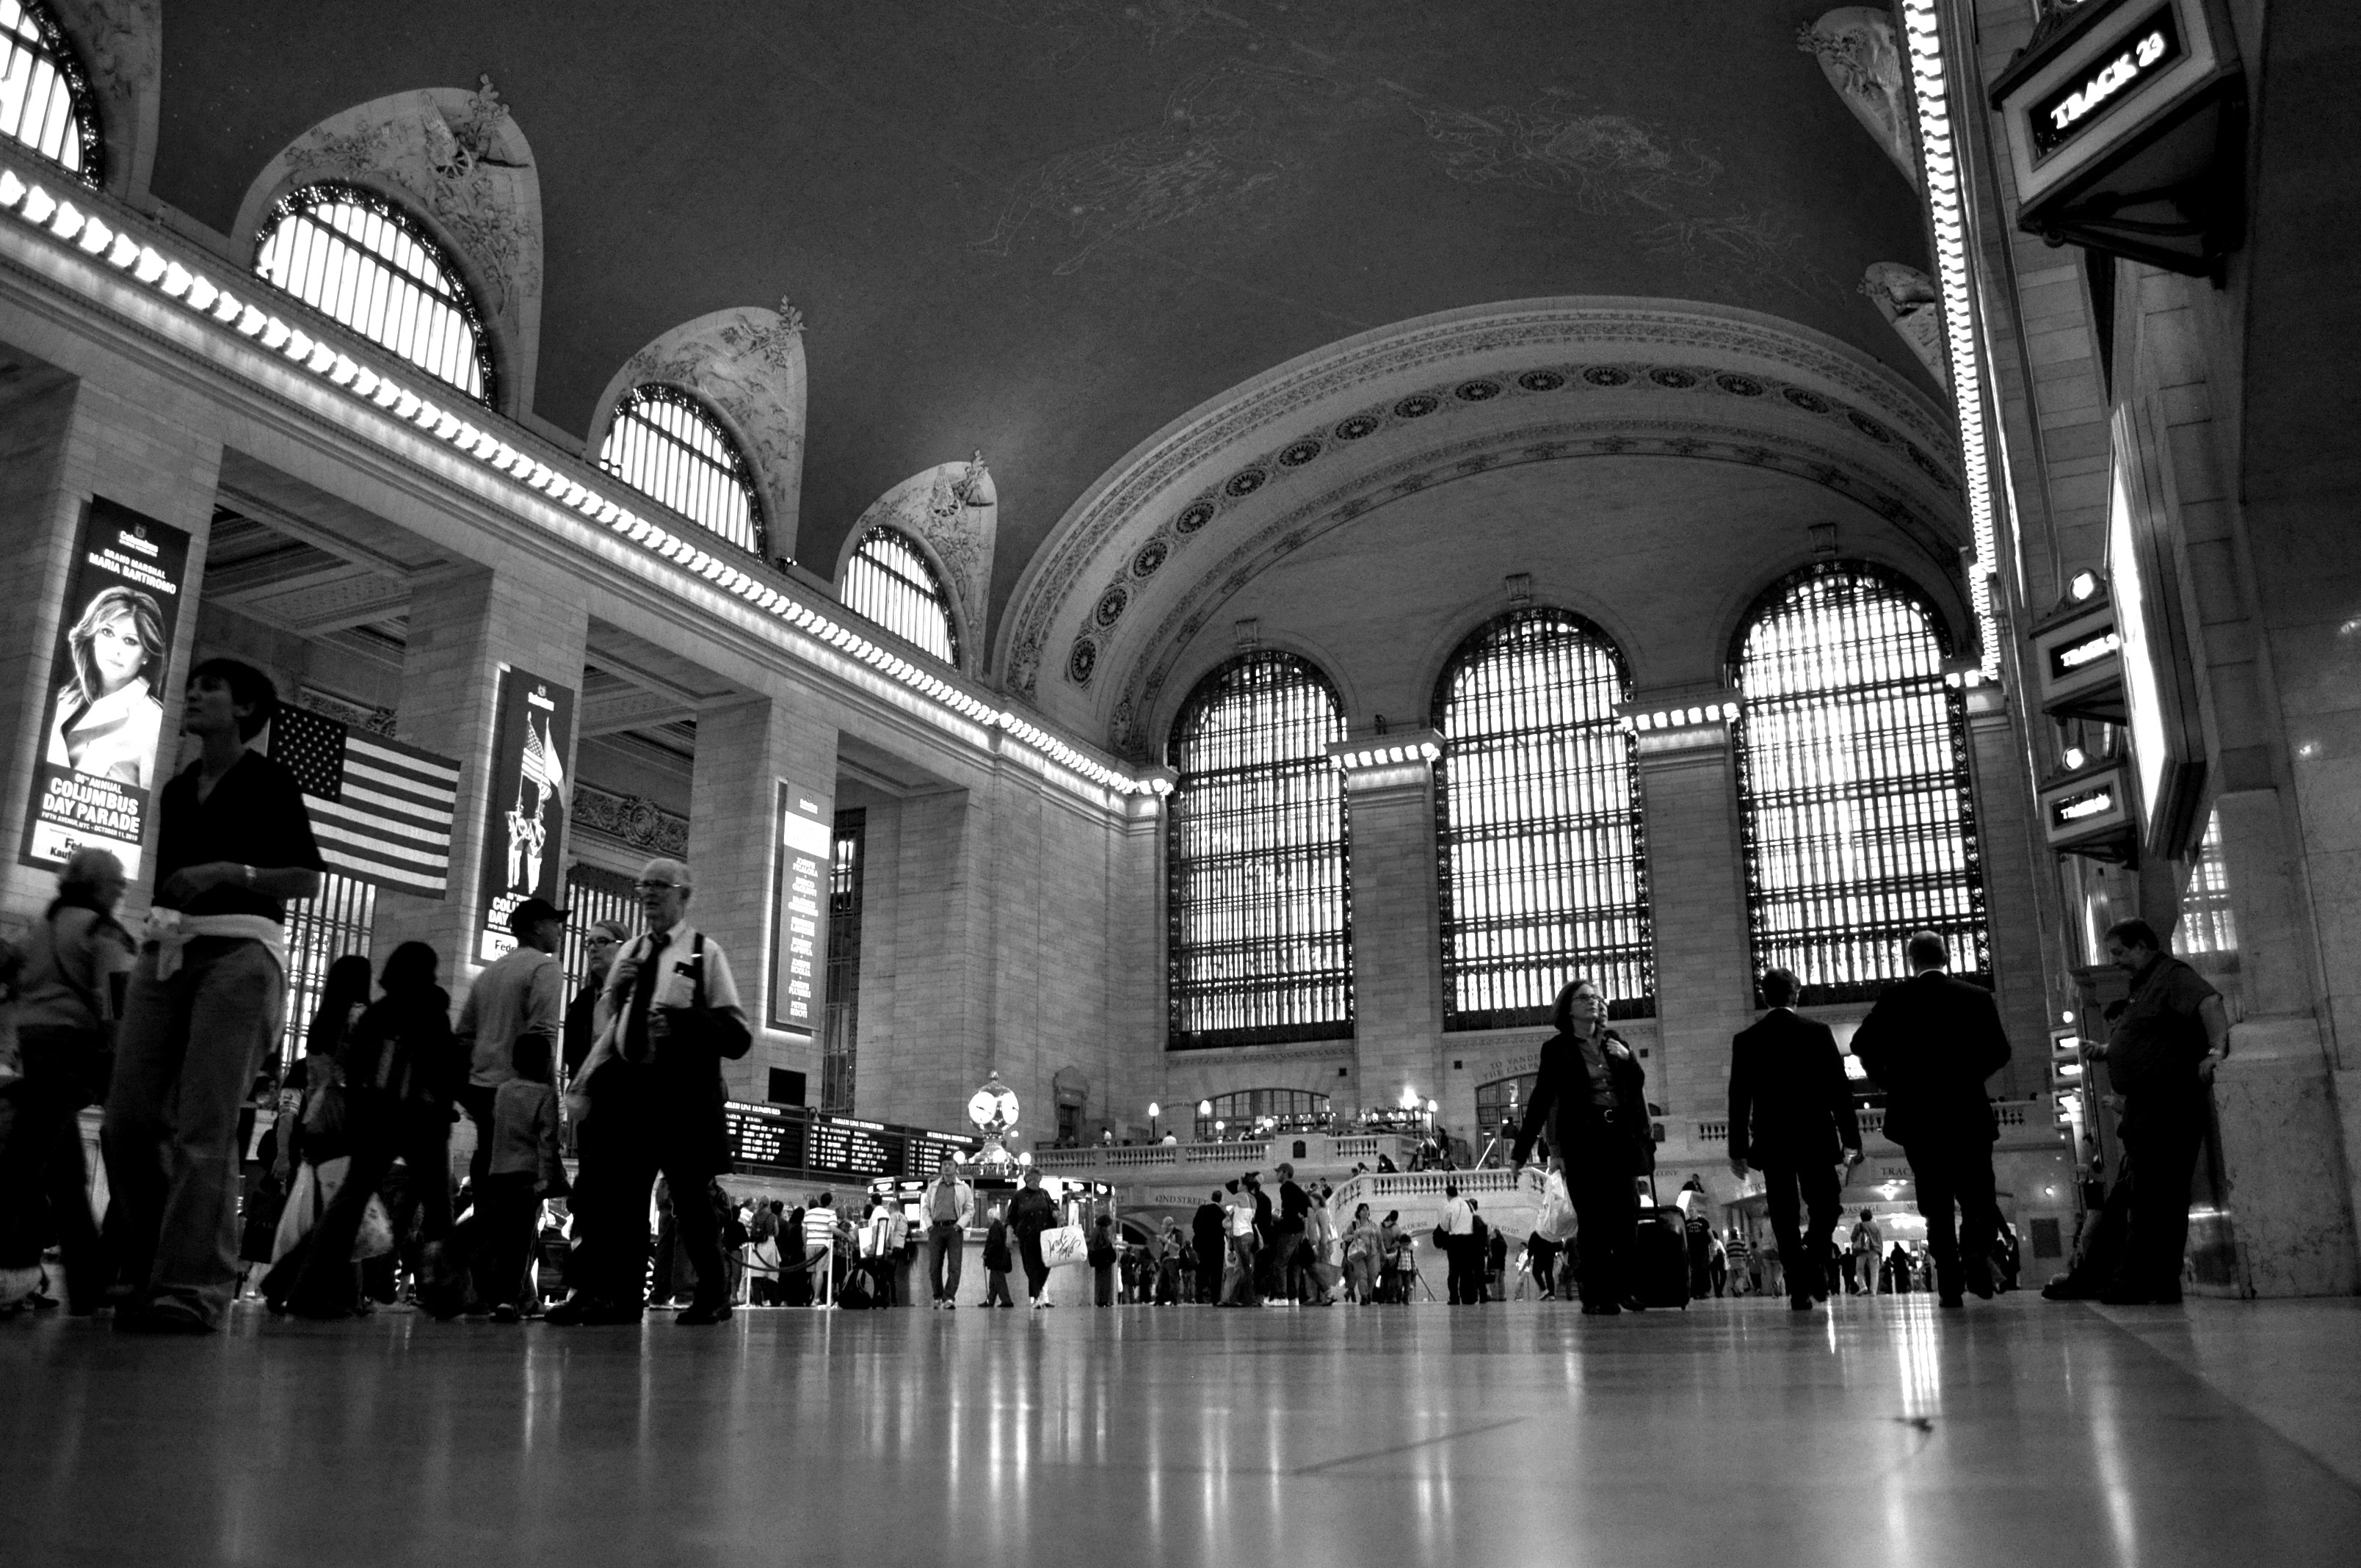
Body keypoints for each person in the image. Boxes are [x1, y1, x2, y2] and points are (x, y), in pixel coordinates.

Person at [104, 658, 324, 1333]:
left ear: (245, 708)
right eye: (192, 685)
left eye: (212, 688)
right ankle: (144, 1264)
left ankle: (191, 1288)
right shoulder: (173, 791)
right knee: (129, 1120)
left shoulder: (270, 781)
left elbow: (308, 880)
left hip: (241, 952)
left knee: (206, 1125)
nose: (194, 694)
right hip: (169, 949)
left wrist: (235, 871)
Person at [554, 857, 752, 1326]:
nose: (648, 894)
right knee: (623, 1198)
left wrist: (682, 1021)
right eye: (644, 886)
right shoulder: (632, 953)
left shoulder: (705, 953)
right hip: (630, 1090)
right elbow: (609, 1031)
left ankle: (714, 1293)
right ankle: (620, 1298)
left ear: (683, 895)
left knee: (689, 1197)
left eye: (660, 886)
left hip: (681, 1094)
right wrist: (611, 997)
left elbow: (737, 1035)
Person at [282, 941, 462, 1318]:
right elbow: (444, 1073)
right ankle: (444, 1291)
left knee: (346, 1206)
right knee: (439, 1213)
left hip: (377, 1123)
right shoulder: (433, 1011)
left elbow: (360, 1073)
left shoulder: (377, 1014)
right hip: (422, 1126)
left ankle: (298, 1286)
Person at [0, 848, 135, 1313]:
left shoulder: (38, 929)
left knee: (65, 1175)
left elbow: (10, 975)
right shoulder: (104, 932)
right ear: (98, 885)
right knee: (23, 1167)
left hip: (35, 1049)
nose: (122, 890)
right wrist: (123, 1067)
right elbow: (120, 1005)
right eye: (117, 882)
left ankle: (88, 1285)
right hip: (75, 1053)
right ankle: (87, 1284)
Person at [1850, 932, 2012, 1309]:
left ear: (1912, 961)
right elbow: (2000, 1051)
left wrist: (1889, 1080)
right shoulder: (1976, 996)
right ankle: (1975, 1257)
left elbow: (1861, 1044)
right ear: (1947, 955)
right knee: (1977, 1195)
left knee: (1936, 1202)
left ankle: (1950, 1286)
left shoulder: (1896, 998)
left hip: (1919, 1117)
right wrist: (1973, 1076)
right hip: (1967, 1112)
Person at [2083, 917, 2232, 1305]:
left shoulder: (2172, 975)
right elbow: (2150, 1038)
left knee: (2155, 1199)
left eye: (2118, 952)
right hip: (2148, 1105)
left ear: (2142, 946)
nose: (2115, 961)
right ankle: (2159, 1281)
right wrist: (2107, 1052)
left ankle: (2140, 1280)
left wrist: (2216, 1052)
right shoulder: (2145, 986)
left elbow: (2211, 1002)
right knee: (2152, 1198)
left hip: (2168, 1103)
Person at [1514, 975, 1653, 1315]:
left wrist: (1629, 1059)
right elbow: (1542, 1100)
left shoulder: (1613, 1041)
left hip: (1619, 1136)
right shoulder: (1557, 1049)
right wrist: (1522, 1149)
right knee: (1592, 1221)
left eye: (1596, 997)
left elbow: (1635, 1085)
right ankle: (1597, 1294)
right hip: (1584, 1140)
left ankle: (1624, 1288)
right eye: (1584, 998)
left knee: (1626, 1213)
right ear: (1569, 1009)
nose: (1594, 1001)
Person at [1727, 967, 1864, 1311]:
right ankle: (1813, 1260)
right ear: (1796, 994)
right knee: (1827, 1204)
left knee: (1783, 1212)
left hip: (1772, 1138)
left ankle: (1800, 1281)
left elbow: (1739, 1097)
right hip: (1814, 1134)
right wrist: (1851, 1138)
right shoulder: (1818, 1032)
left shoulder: (1747, 1039)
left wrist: (1737, 1150)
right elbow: (1839, 1090)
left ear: (1764, 996)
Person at [456, 896, 566, 1182]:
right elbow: (542, 1035)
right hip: (519, 1090)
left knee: (487, 1161)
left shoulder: (488, 974)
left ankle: (481, 1219)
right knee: (520, 1179)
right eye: (556, 923)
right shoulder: (546, 968)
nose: (560, 930)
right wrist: (550, 1099)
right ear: (538, 927)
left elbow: (464, 1036)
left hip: (481, 1088)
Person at [473, 1034, 566, 1322]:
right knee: (522, 1240)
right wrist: (547, 1180)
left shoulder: (503, 1091)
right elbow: (548, 1142)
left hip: (498, 1173)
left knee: (500, 1238)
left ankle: (496, 1296)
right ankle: (511, 1300)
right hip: (527, 1177)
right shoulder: (545, 1095)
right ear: (546, 1063)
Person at [47, 584, 167, 788]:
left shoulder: (153, 722)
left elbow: (152, 805)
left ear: (146, 654)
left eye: (130, 641)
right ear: (92, 636)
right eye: (107, 632)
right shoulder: (65, 698)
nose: (116, 649)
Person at [923, 1154, 974, 1309]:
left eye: (950, 1164)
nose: (946, 1167)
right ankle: (938, 1296)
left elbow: (969, 1209)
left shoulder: (963, 1188)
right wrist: (929, 1225)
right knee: (934, 1266)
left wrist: (959, 1225)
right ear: (941, 1167)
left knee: (955, 1265)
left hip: (954, 1229)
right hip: (936, 1229)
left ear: (956, 1168)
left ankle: (949, 1297)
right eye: (944, 1164)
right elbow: (926, 1207)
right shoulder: (933, 1186)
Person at [1007, 1168, 1057, 1309]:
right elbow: (1011, 1217)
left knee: (1045, 1265)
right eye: (1035, 1180)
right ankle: (1036, 1297)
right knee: (1030, 1267)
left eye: (1039, 1180)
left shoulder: (1044, 1193)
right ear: (1028, 1180)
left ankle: (1039, 1294)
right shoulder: (1019, 1196)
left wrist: (1057, 1213)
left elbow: (1053, 1207)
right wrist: (1009, 1233)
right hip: (1027, 1236)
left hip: (1045, 1235)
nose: (1037, 1183)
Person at [1274, 1162, 1313, 1304]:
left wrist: (1282, 1219)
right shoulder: (1297, 1189)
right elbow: (1306, 1206)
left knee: (1280, 1263)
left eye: (1278, 1172)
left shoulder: (1286, 1187)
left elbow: (1289, 1209)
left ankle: (1281, 1297)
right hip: (1298, 1230)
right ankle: (1293, 1297)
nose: (1277, 1175)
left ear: (1284, 1172)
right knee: (1294, 1265)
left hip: (1290, 1229)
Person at [1222, 1179, 1260, 1307]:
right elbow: (1252, 1217)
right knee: (1242, 1267)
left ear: (1244, 1186)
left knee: (1243, 1268)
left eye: (1239, 1183)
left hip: (1240, 1234)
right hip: (1250, 1234)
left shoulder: (1240, 1195)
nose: (1238, 1186)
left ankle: (1248, 1299)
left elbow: (1223, 1205)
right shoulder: (1253, 1199)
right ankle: (1234, 1298)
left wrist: (1229, 1212)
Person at [1192, 1189, 1227, 1305]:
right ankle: (1215, 1298)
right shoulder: (1222, 1213)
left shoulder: (1202, 1209)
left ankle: (1200, 1295)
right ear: (1221, 1199)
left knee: (1202, 1271)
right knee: (1216, 1272)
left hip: (1203, 1245)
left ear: (1211, 1198)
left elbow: (1195, 1225)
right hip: (1217, 1246)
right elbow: (1224, 1229)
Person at [982, 1202, 1015, 1307]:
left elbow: (994, 1243)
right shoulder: (1000, 1226)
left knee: (999, 1281)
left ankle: (1006, 1300)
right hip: (1000, 1259)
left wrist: (986, 1254)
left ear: (991, 1217)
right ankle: (990, 1301)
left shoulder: (995, 1227)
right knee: (993, 1283)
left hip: (996, 1260)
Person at [1850, 1210, 1884, 1295]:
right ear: (1871, 1217)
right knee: (1874, 1271)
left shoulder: (1859, 1225)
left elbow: (1853, 1238)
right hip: (1875, 1250)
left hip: (1862, 1250)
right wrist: (1880, 1253)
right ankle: (1873, 1290)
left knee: (1860, 1269)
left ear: (1861, 1217)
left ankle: (1863, 1286)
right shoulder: (1877, 1226)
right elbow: (1880, 1240)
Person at [1089, 1213, 1118, 1306]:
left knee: (1099, 1280)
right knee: (1106, 1280)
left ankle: (1099, 1300)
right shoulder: (1103, 1230)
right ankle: (1105, 1300)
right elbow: (1107, 1242)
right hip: (1105, 1258)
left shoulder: (1095, 1230)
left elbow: (1092, 1244)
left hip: (1097, 1258)